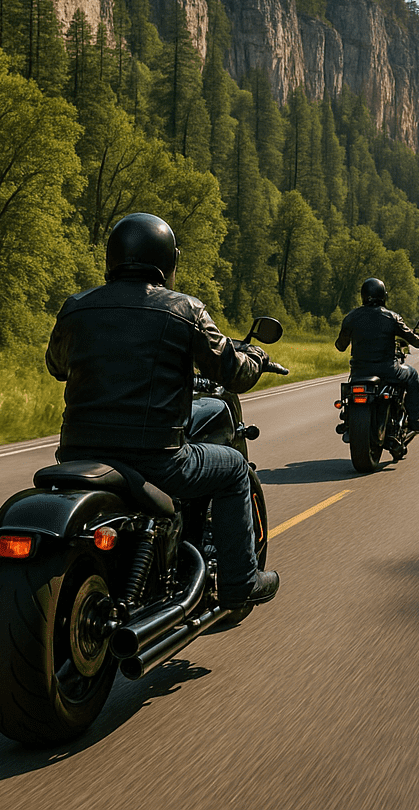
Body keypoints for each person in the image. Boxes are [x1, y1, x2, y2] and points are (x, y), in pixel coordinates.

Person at [45, 212, 279, 611]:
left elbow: (57, 366)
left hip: (79, 455)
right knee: (234, 469)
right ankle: (241, 582)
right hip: (158, 461)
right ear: (168, 261)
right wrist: (255, 354)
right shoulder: (184, 309)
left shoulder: (76, 307)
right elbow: (233, 373)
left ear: (113, 258)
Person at [334, 277, 419, 433]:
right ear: (383, 295)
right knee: (412, 375)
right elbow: (411, 338)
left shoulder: (351, 317)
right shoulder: (391, 317)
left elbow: (340, 346)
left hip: (359, 372)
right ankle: (414, 419)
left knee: (350, 392)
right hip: (387, 370)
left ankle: (348, 420)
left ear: (363, 295)